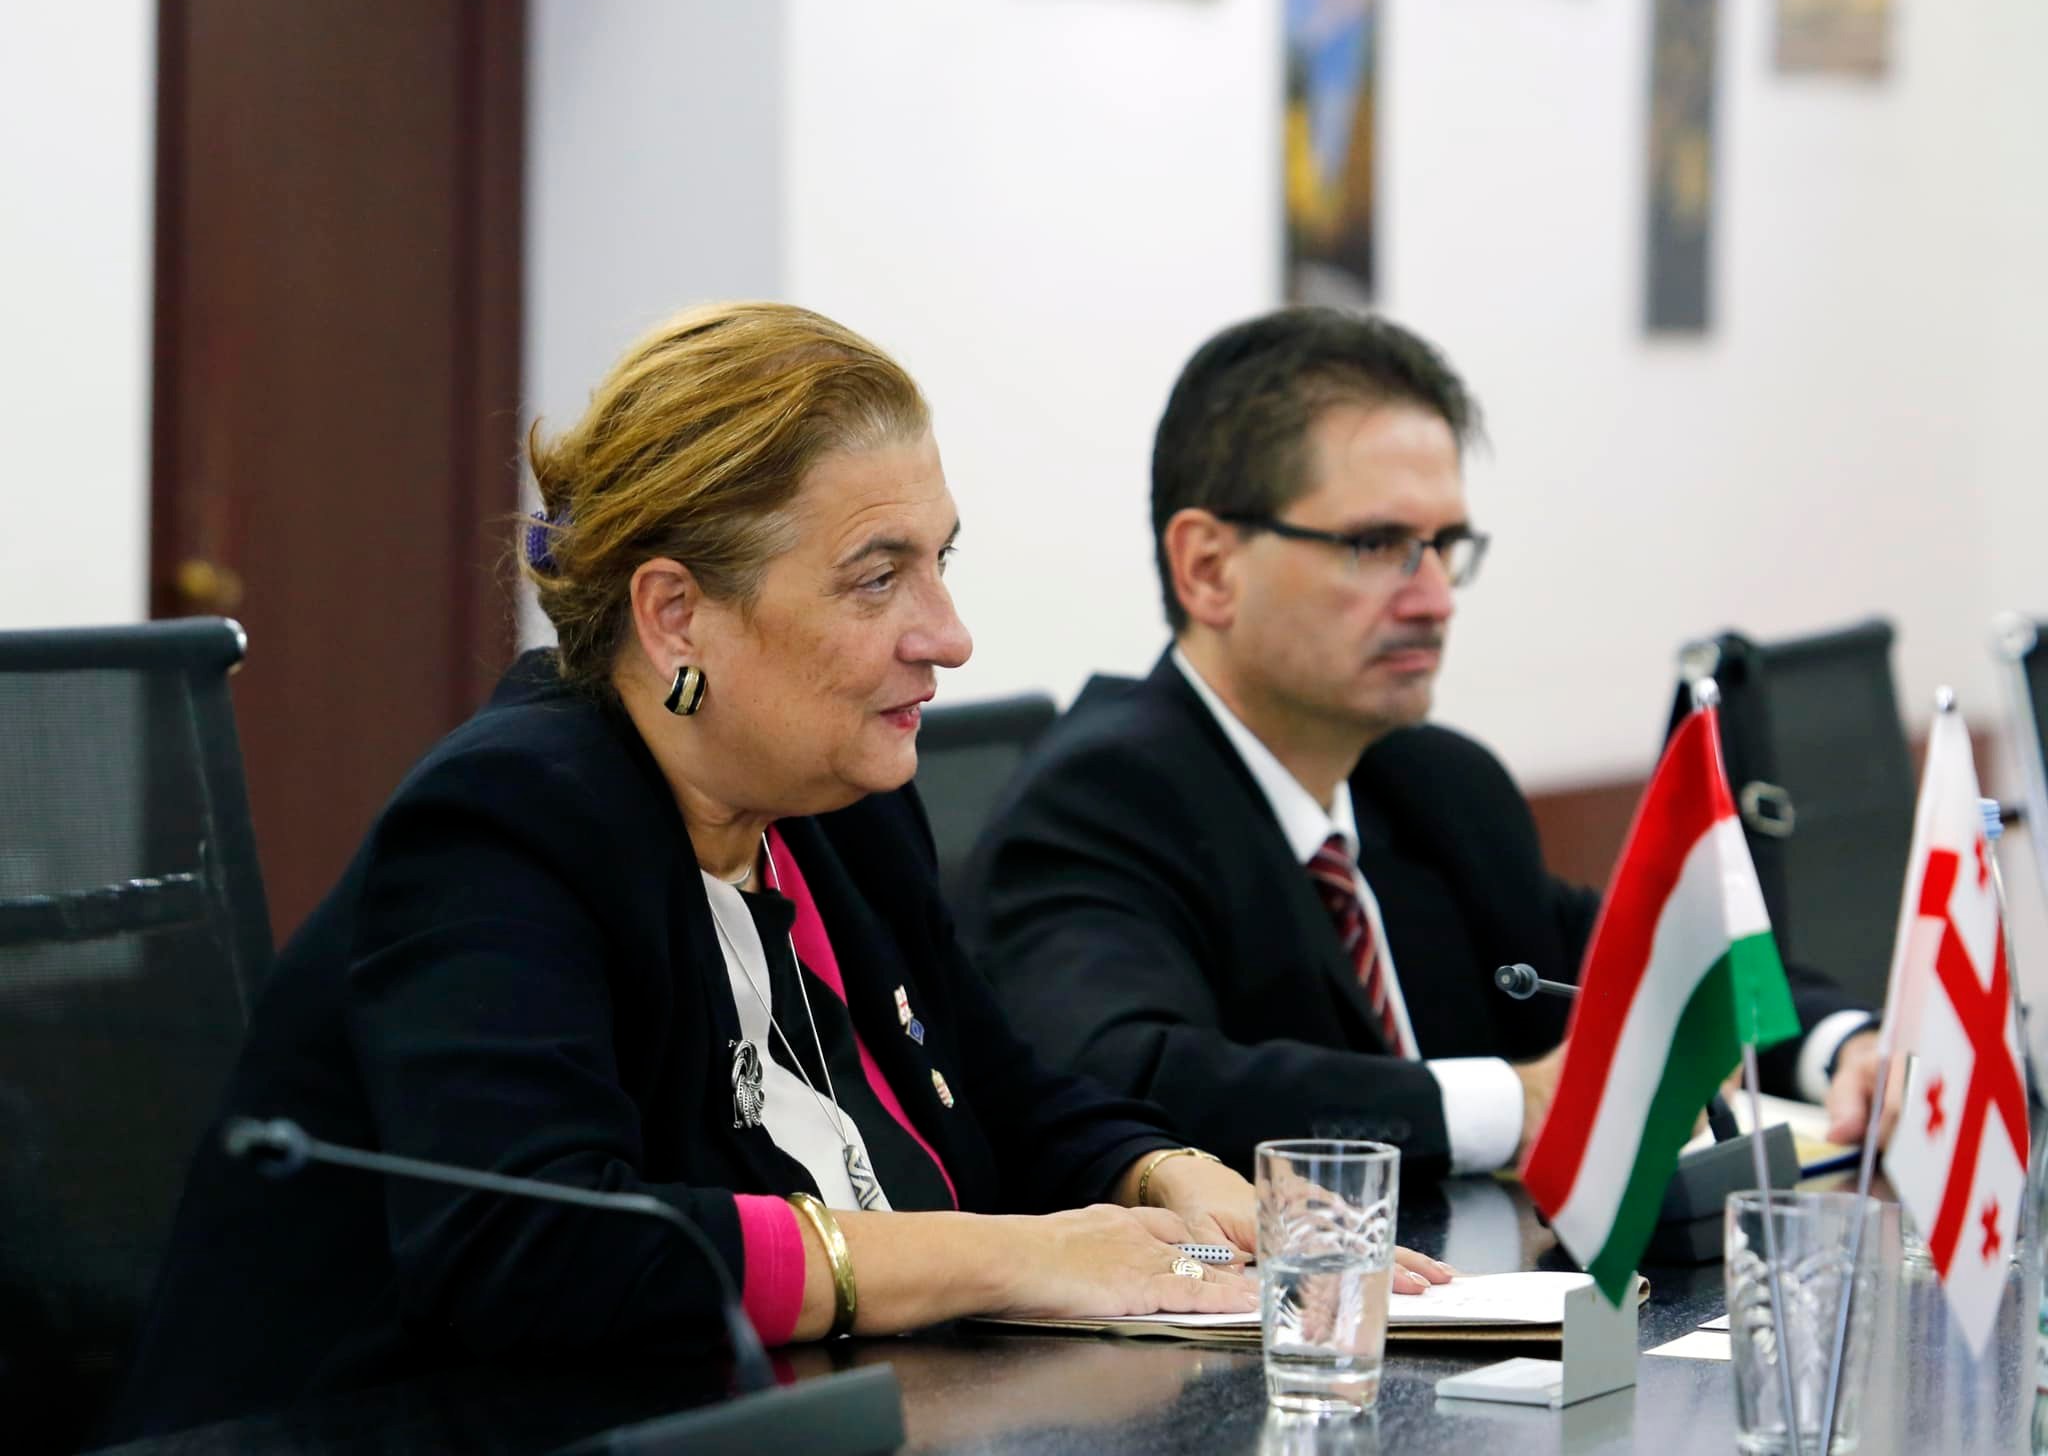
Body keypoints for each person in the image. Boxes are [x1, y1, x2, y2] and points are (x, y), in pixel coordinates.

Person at [107, 304, 1454, 1439]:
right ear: (675, 614)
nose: (949, 635)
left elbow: (1002, 1088)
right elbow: (541, 1250)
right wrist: (1023, 1254)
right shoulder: (505, 826)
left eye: (941, 562)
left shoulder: (836, 806)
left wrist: (1166, 1176)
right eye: (876, 580)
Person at [959, 306, 1884, 1184]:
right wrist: (1515, 1105)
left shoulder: (1436, 784)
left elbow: (1659, 966)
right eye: (1377, 544)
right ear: (1209, 569)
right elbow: (1126, 1083)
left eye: (1446, 546)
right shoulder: (1101, 800)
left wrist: (1843, 1046)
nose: (1436, 598)